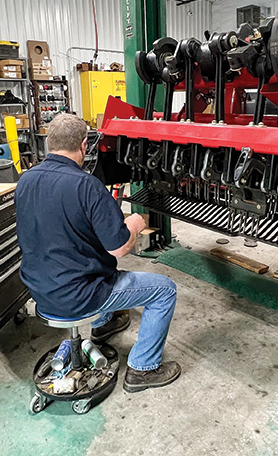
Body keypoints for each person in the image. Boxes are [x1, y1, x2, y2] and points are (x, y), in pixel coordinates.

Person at [15, 113, 180, 393]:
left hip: (38, 290)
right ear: (83, 146)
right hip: (79, 295)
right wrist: (135, 224)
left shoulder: (26, 180)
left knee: (89, 259)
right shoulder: (86, 186)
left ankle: (105, 324)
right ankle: (143, 368)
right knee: (165, 289)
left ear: (48, 143)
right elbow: (119, 248)